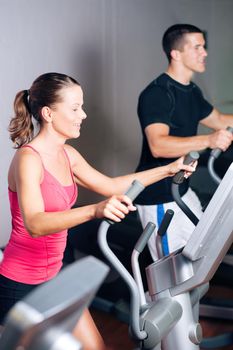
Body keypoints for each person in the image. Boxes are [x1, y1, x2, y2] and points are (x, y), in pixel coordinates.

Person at [0, 72, 196, 350]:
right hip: (20, 284)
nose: (84, 114)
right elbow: (35, 223)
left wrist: (168, 169)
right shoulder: (28, 159)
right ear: (48, 113)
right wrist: (95, 211)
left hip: (56, 275)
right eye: (75, 108)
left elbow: (111, 185)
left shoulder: (67, 155)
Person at [135, 23, 233, 261]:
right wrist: (209, 140)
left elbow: (220, 120)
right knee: (175, 278)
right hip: (160, 196)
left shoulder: (190, 90)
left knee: (200, 262)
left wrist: (215, 133)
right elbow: (158, 144)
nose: (205, 52)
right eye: (197, 47)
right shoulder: (157, 93)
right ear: (175, 53)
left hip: (182, 189)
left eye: (204, 46)